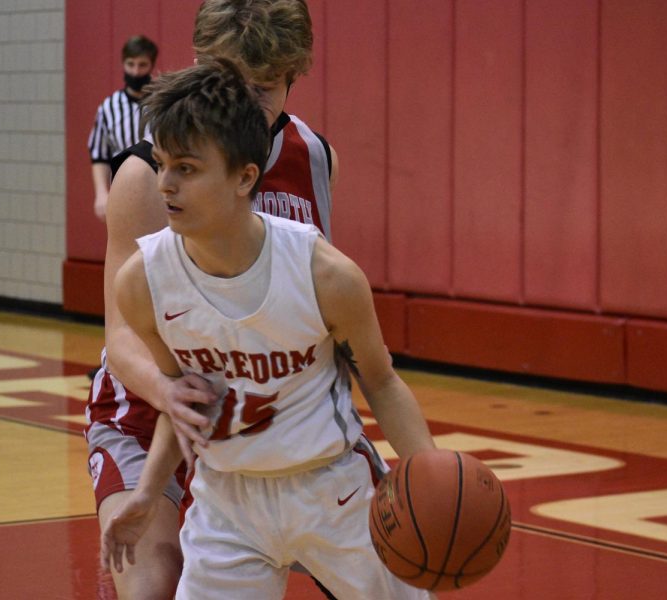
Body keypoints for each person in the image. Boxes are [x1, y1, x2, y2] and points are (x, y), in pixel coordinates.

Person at [107, 58, 436, 600]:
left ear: (244, 177)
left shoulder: (324, 275)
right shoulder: (142, 282)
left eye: (186, 168)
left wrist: (430, 476)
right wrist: (146, 493)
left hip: (330, 489)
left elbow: (381, 381)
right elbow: (184, 402)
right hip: (227, 503)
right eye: (162, 164)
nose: (164, 184)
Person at [85, 2, 339, 597]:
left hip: (256, 416)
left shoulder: (313, 157)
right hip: (149, 413)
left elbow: (323, 308)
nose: (249, 103)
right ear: (200, 65)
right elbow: (122, 340)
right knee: (155, 584)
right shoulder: (148, 174)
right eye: (233, 82)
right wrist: (173, 394)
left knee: (389, 554)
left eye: (266, 87)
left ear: (293, 77)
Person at [88, 34, 159, 221]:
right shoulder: (108, 107)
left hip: (159, 189)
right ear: (123, 64)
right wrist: (101, 193)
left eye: (142, 65)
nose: (135, 72)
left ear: (151, 65)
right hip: (122, 189)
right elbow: (99, 155)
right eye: (130, 64)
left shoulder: (164, 102)